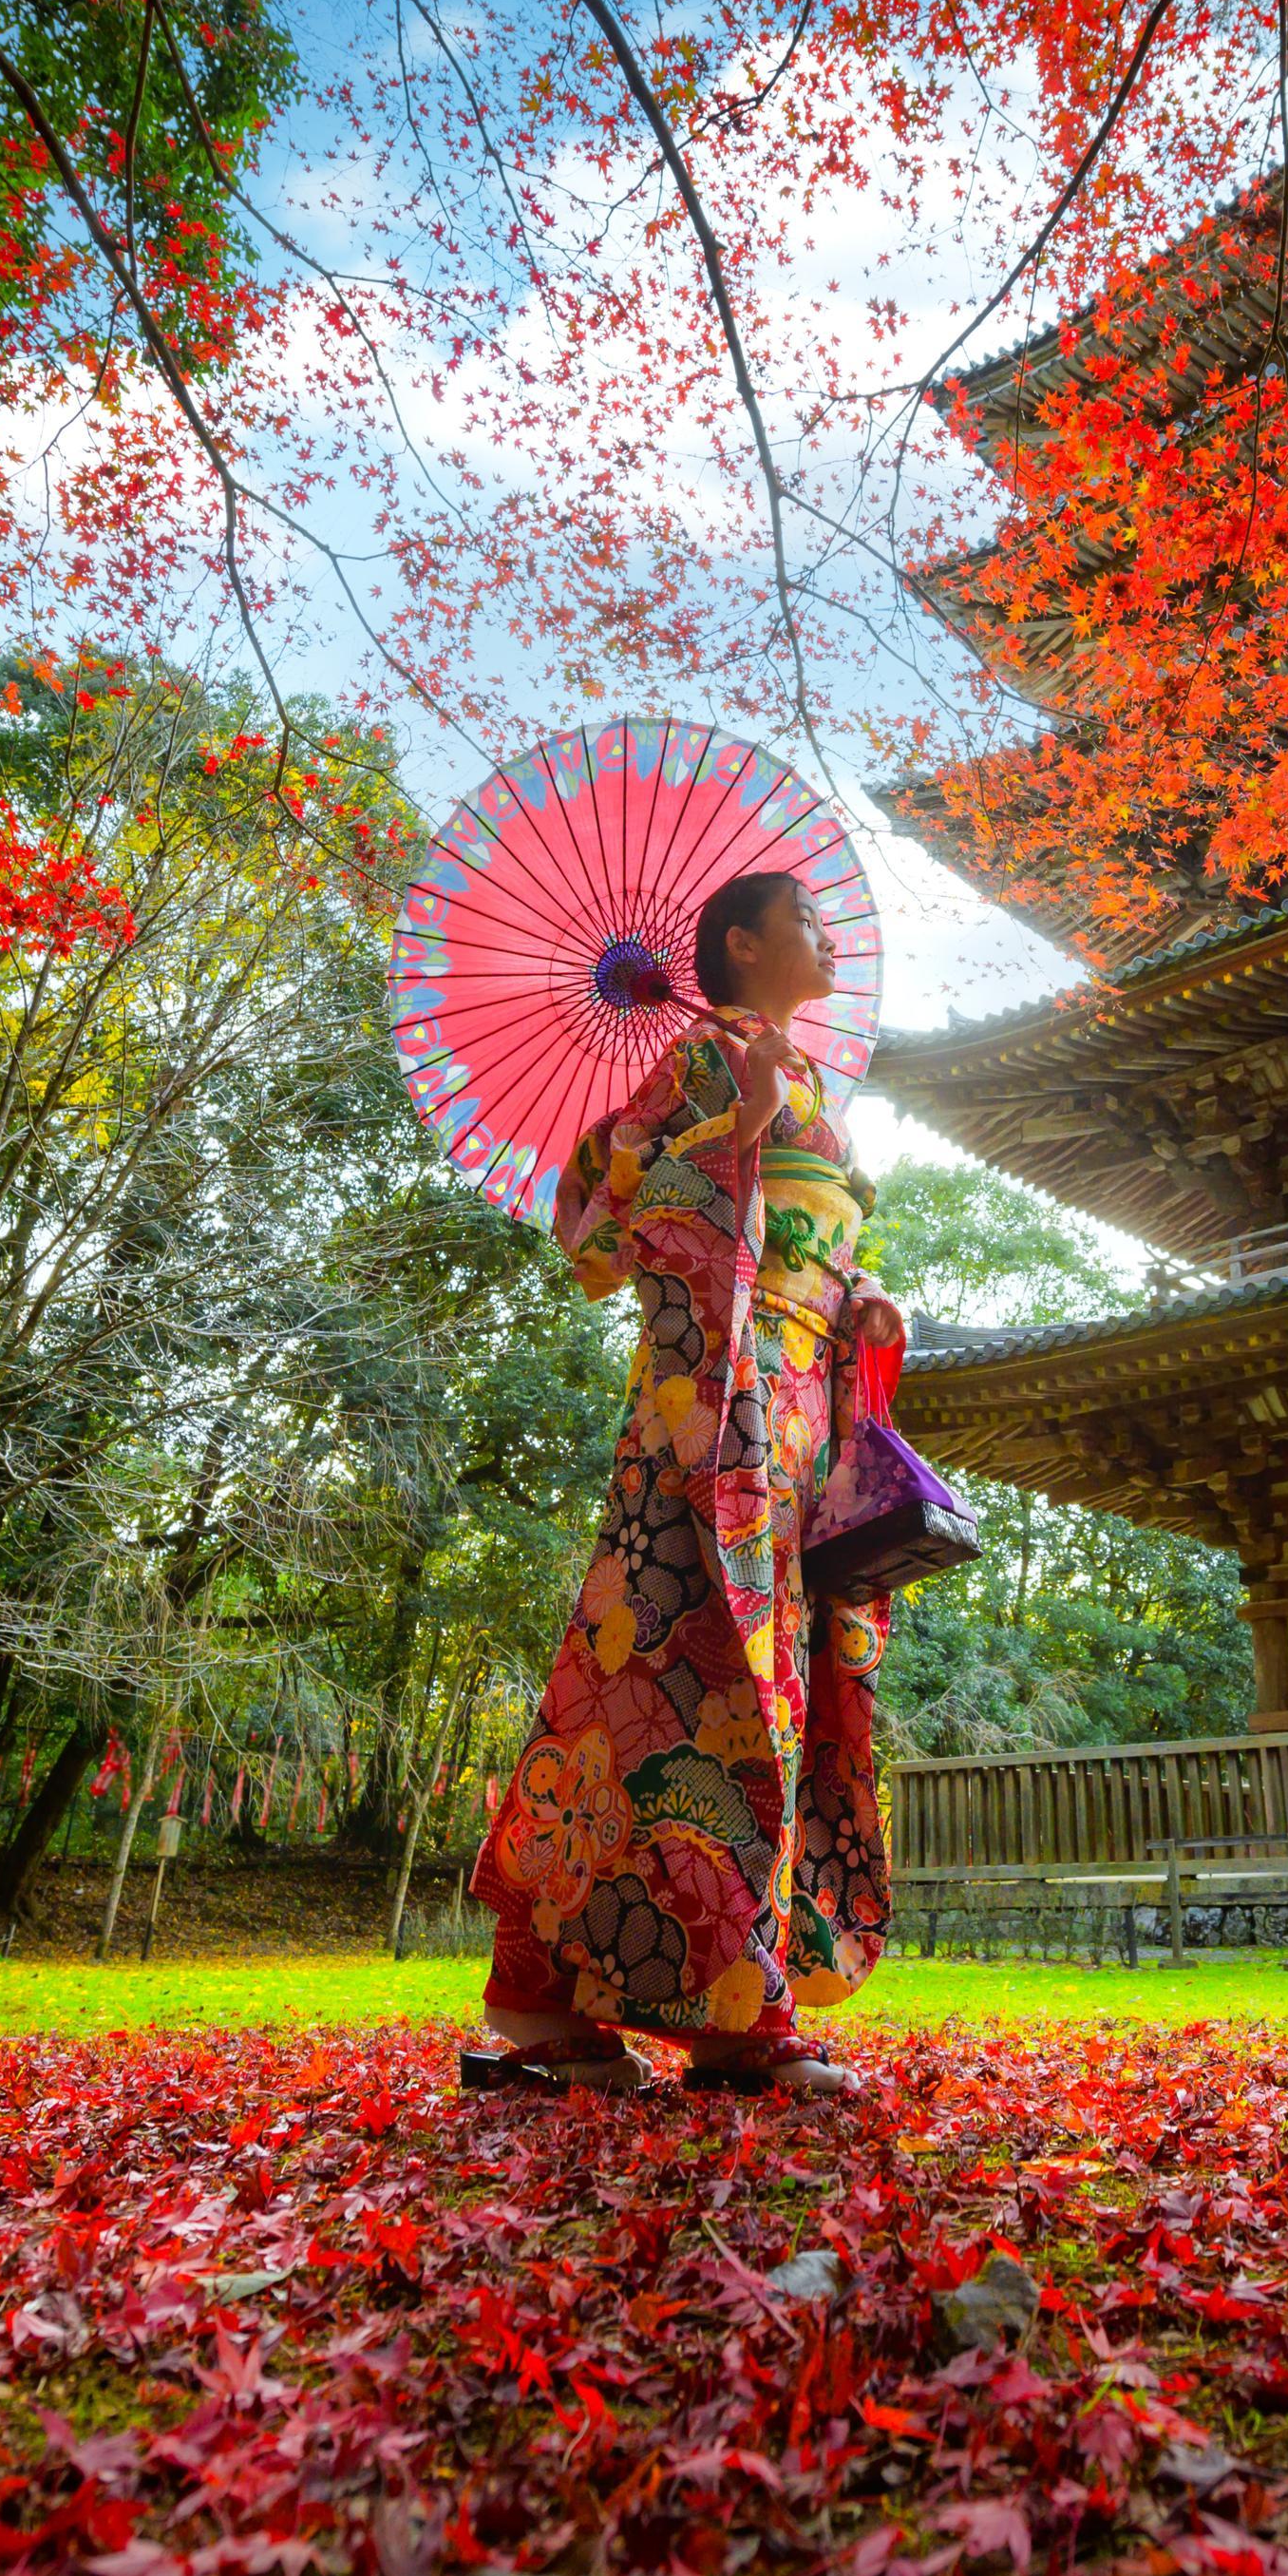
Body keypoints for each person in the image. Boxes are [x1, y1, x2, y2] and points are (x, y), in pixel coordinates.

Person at [455, 868, 908, 2100]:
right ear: (743, 943)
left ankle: (550, 2001)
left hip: (801, 1410)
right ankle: (724, 2015)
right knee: (703, 1684)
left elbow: (826, 1246)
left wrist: (860, 1298)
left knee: (649, 1685)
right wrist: (734, 1130)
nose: (822, 934)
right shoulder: (712, 1064)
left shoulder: (803, 1077)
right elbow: (596, 1226)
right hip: (715, 1411)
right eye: (802, 918)